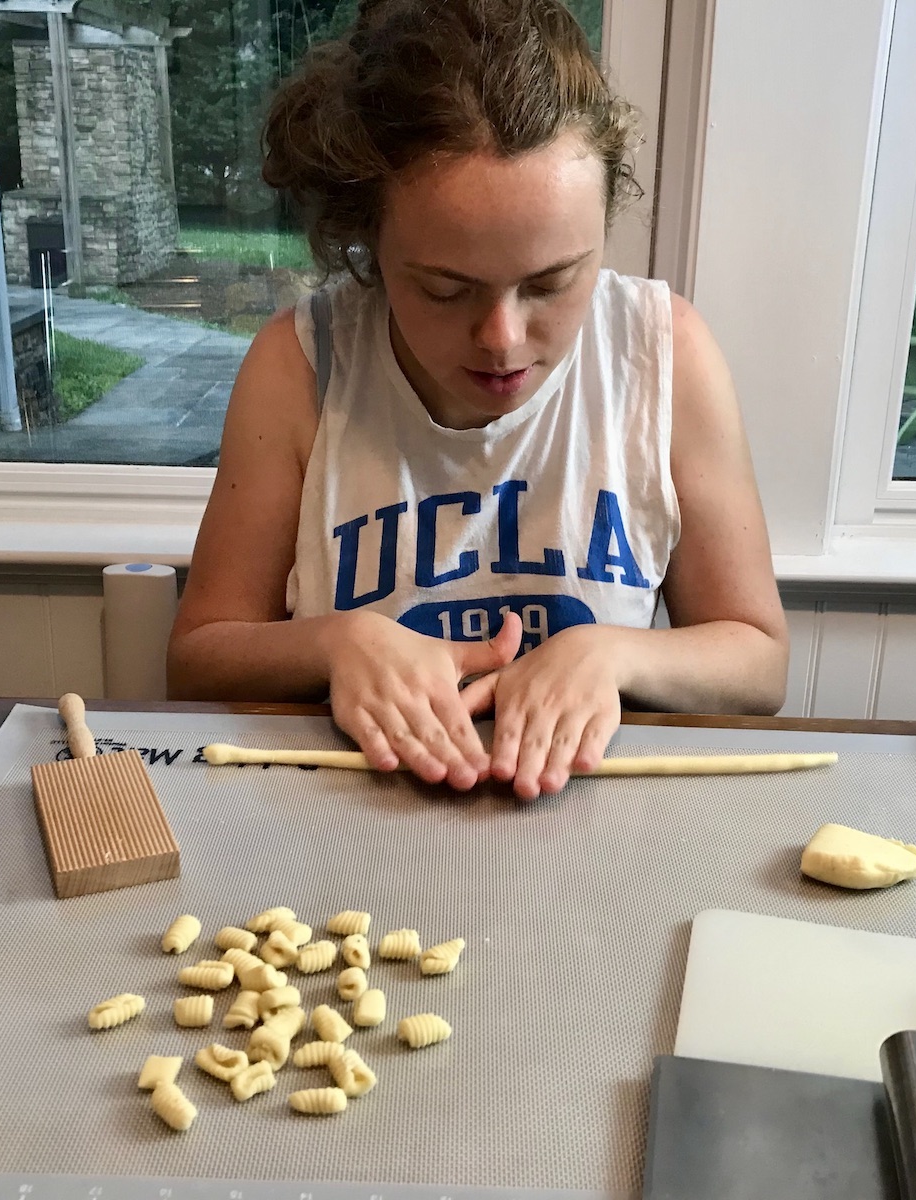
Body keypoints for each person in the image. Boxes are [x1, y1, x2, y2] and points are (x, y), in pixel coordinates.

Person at [167, 0, 788, 800]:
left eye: (552, 282)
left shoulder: (665, 353)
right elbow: (196, 658)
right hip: (345, 819)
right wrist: (336, 644)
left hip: (597, 827)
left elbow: (759, 659)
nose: (501, 338)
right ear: (369, 244)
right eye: (444, 289)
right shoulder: (298, 366)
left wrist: (615, 654)